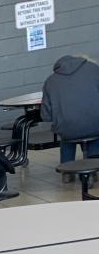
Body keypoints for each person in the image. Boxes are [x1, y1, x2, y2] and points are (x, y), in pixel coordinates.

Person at [39, 54, 99, 183]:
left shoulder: (50, 81)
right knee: (95, 130)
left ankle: (67, 171)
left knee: (66, 135)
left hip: (67, 128)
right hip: (95, 124)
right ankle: (93, 167)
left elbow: (46, 115)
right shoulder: (95, 70)